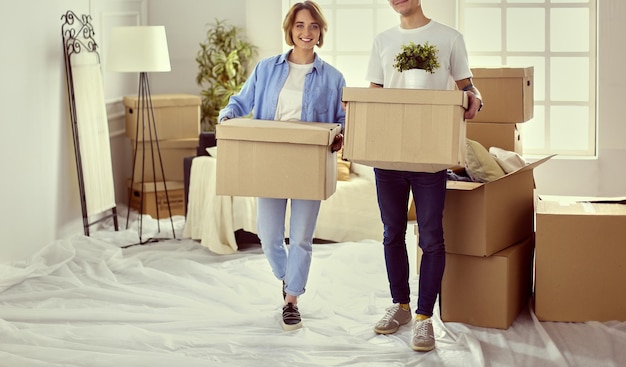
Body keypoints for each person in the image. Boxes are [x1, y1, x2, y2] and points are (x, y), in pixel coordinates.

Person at [217, 1, 345, 331]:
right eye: (300, 25)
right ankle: (289, 280)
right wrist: (227, 116)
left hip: (309, 163)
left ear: (321, 33)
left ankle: (291, 301)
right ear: (290, 30)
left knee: (301, 238)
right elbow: (241, 100)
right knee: (269, 236)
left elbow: (343, 121)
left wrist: (340, 136)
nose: (307, 32)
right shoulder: (266, 68)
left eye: (313, 26)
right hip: (270, 160)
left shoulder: (333, 77)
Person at [366, 0, 482, 352]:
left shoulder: (449, 37)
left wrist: (476, 100)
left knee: (431, 237)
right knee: (391, 233)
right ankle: (399, 305)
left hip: (430, 157)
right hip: (388, 156)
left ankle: (423, 317)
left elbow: (469, 88)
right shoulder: (382, 41)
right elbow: (375, 96)